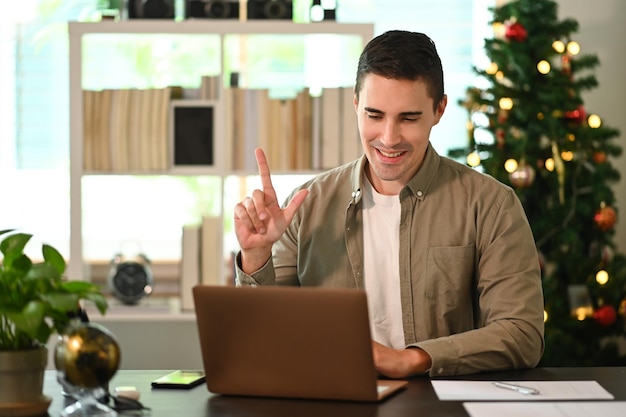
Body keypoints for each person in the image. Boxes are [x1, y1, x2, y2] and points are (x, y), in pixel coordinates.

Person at [233, 30, 544, 378]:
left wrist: (413, 359)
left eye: (408, 118)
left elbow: (522, 333)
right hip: (332, 397)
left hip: (439, 402)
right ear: (355, 104)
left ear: (439, 109)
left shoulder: (491, 205)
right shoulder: (305, 206)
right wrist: (257, 257)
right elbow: (264, 337)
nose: (388, 138)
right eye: (374, 115)